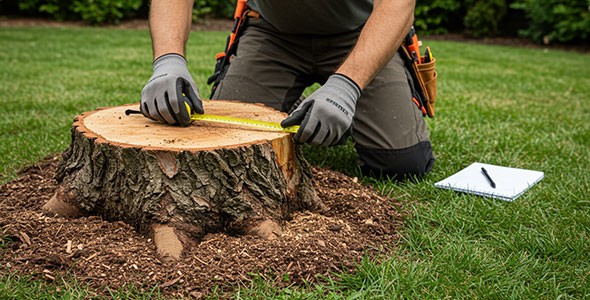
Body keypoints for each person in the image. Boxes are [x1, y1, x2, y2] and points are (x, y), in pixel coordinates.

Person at [140, 0, 435, 179]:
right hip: (273, 35)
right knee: (224, 147)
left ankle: (339, 102)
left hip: (362, 34)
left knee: (401, 164)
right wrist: (168, 60)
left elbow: (398, 6)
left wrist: (346, 87)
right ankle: (308, 108)